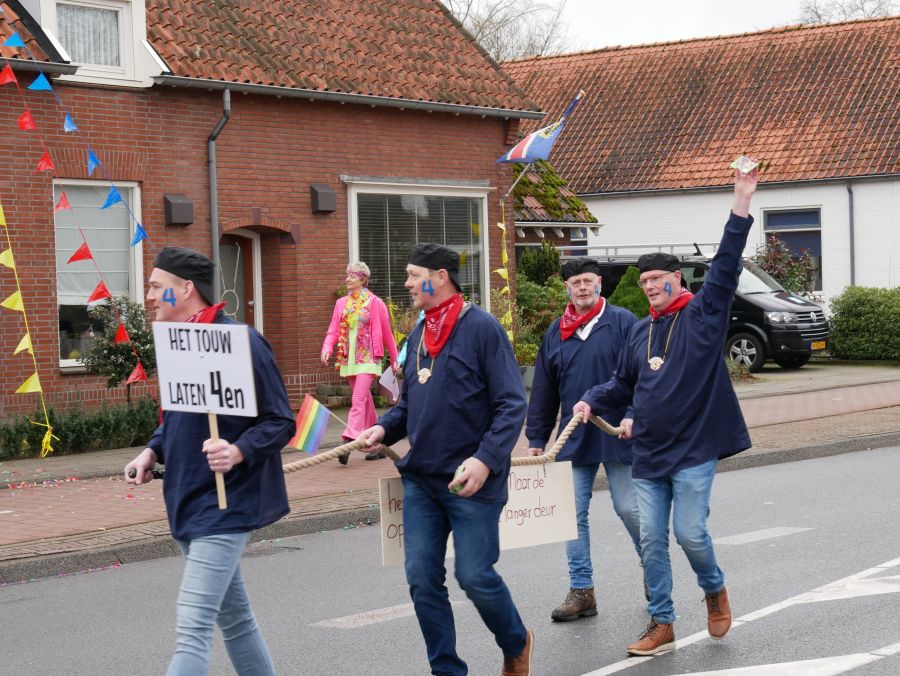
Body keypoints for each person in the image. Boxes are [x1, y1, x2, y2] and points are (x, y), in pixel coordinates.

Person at [574, 168, 759, 656]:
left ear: (677, 279)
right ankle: (662, 621)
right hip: (648, 453)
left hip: (694, 450)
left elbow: (726, 264)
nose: (650, 286)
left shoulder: (703, 314)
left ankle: (713, 588)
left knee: (690, 534)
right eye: (644, 281)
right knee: (652, 540)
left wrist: (741, 201)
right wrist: (593, 399)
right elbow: (623, 383)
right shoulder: (640, 331)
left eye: (658, 279)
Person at [356, 243, 533, 676]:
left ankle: (516, 640)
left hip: (471, 481)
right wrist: (383, 429)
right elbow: (407, 405)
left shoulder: (482, 328)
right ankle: (447, 670)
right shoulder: (418, 333)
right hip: (422, 480)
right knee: (421, 578)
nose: (406, 283)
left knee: (474, 576)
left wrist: (485, 460)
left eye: (413, 275)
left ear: (440, 276)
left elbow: (512, 404)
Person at [125, 247, 295, 675]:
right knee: (236, 622)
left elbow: (280, 421)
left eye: (156, 287)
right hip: (186, 498)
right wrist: (152, 450)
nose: (149, 296)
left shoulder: (243, 341)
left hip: (226, 504)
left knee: (192, 628)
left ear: (185, 289)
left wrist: (238, 450)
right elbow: (179, 416)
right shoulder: (179, 341)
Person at [526, 258, 642, 622]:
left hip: (619, 432)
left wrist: (634, 414)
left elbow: (643, 375)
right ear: (567, 288)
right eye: (575, 282)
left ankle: (653, 570)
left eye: (588, 281)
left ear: (599, 284)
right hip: (574, 435)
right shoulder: (556, 332)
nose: (582, 287)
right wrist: (536, 436)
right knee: (571, 514)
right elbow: (544, 388)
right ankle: (582, 590)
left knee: (629, 507)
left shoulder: (622, 322)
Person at [321, 261, 399, 462]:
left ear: (363, 279)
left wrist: (395, 359)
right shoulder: (341, 304)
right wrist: (327, 348)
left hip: (369, 358)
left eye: (352, 276)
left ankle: (348, 441)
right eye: (347, 275)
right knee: (365, 401)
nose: (347, 279)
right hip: (349, 360)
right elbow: (333, 330)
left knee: (358, 399)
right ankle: (380, 443)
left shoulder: (375, 303)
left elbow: (387, 334)